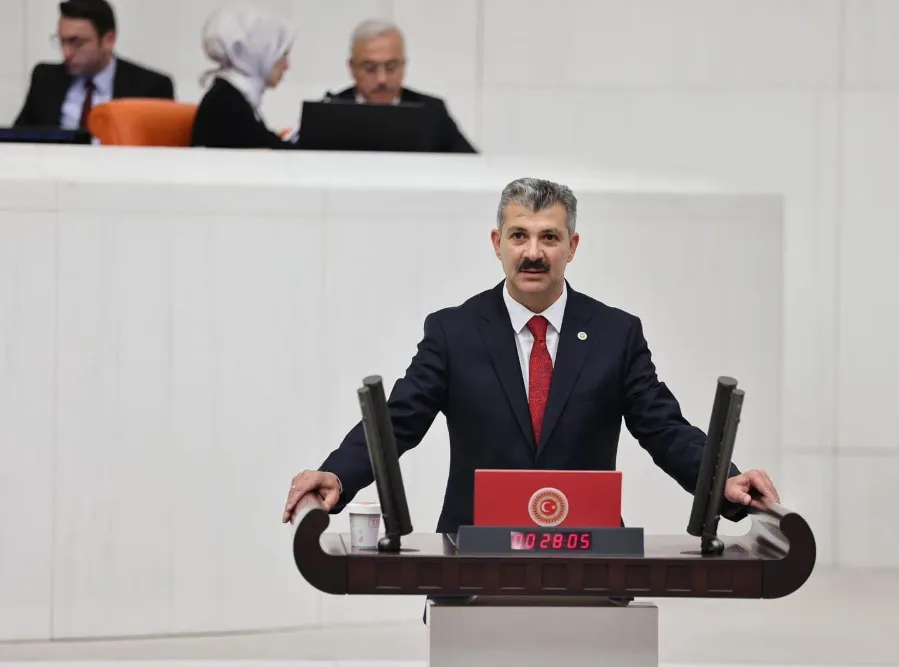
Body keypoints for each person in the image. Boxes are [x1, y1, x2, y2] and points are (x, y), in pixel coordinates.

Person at [283, 177, 780, 531]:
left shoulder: (616, 333)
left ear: (572, 246)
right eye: (519, 235)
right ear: (497, 243)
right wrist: (338, 473)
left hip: (590, 554)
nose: (533, 252)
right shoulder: (453, 331)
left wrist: (726, 481)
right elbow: (398, 421)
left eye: (550, 237)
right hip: (472, 554)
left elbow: (664, 429)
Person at [321, 18, 476, 154]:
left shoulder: (431, 112)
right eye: (370, 68)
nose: (382, 79)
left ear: (404, 66)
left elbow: (471, 165)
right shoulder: (328, 113)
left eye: (391, 67)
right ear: (352, 68)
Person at [13, 0, 174, 130]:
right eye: (62, 41)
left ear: (108, 40)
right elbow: (18, 140)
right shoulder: (45, 80)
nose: (66, 53)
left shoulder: (150, 88)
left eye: (76, 42)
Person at [189, 3, 295, 149]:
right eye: (282, 54)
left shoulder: (231, 94)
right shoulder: (227, 104)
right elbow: (270, 148)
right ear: (259, 54)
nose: (287, 65)